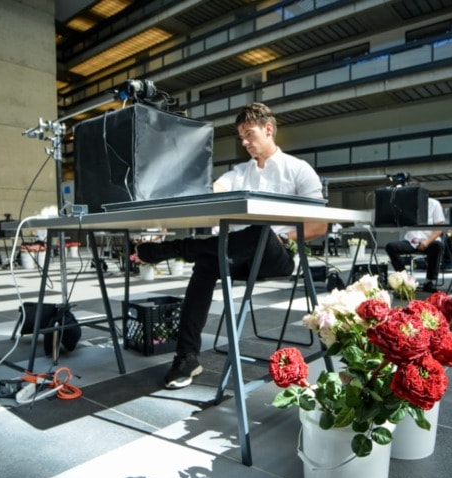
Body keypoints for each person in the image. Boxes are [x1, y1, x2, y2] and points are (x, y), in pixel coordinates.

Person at [134, 102, 327, 390]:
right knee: (206, 263)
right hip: (237, 254)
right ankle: (187, 357)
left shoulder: (298, 170)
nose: (245, 142)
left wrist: (284, 238)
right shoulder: (239, 172)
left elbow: (320, 226)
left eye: (250, 134)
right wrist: (216, 190)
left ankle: (171, 249)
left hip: (278, 255)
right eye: (241, 137)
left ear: (269, 129)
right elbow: (216, 190)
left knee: (261, 232)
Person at [384, 192, 446, 293]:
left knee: (438, 246)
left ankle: (429, 281)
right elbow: (399, 223)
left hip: (429, 241)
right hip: (411, 241)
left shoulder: (434, 204)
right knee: (391, 247)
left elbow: (440, 228)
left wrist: (427, 241)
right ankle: (405, 278)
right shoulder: (408, 205)